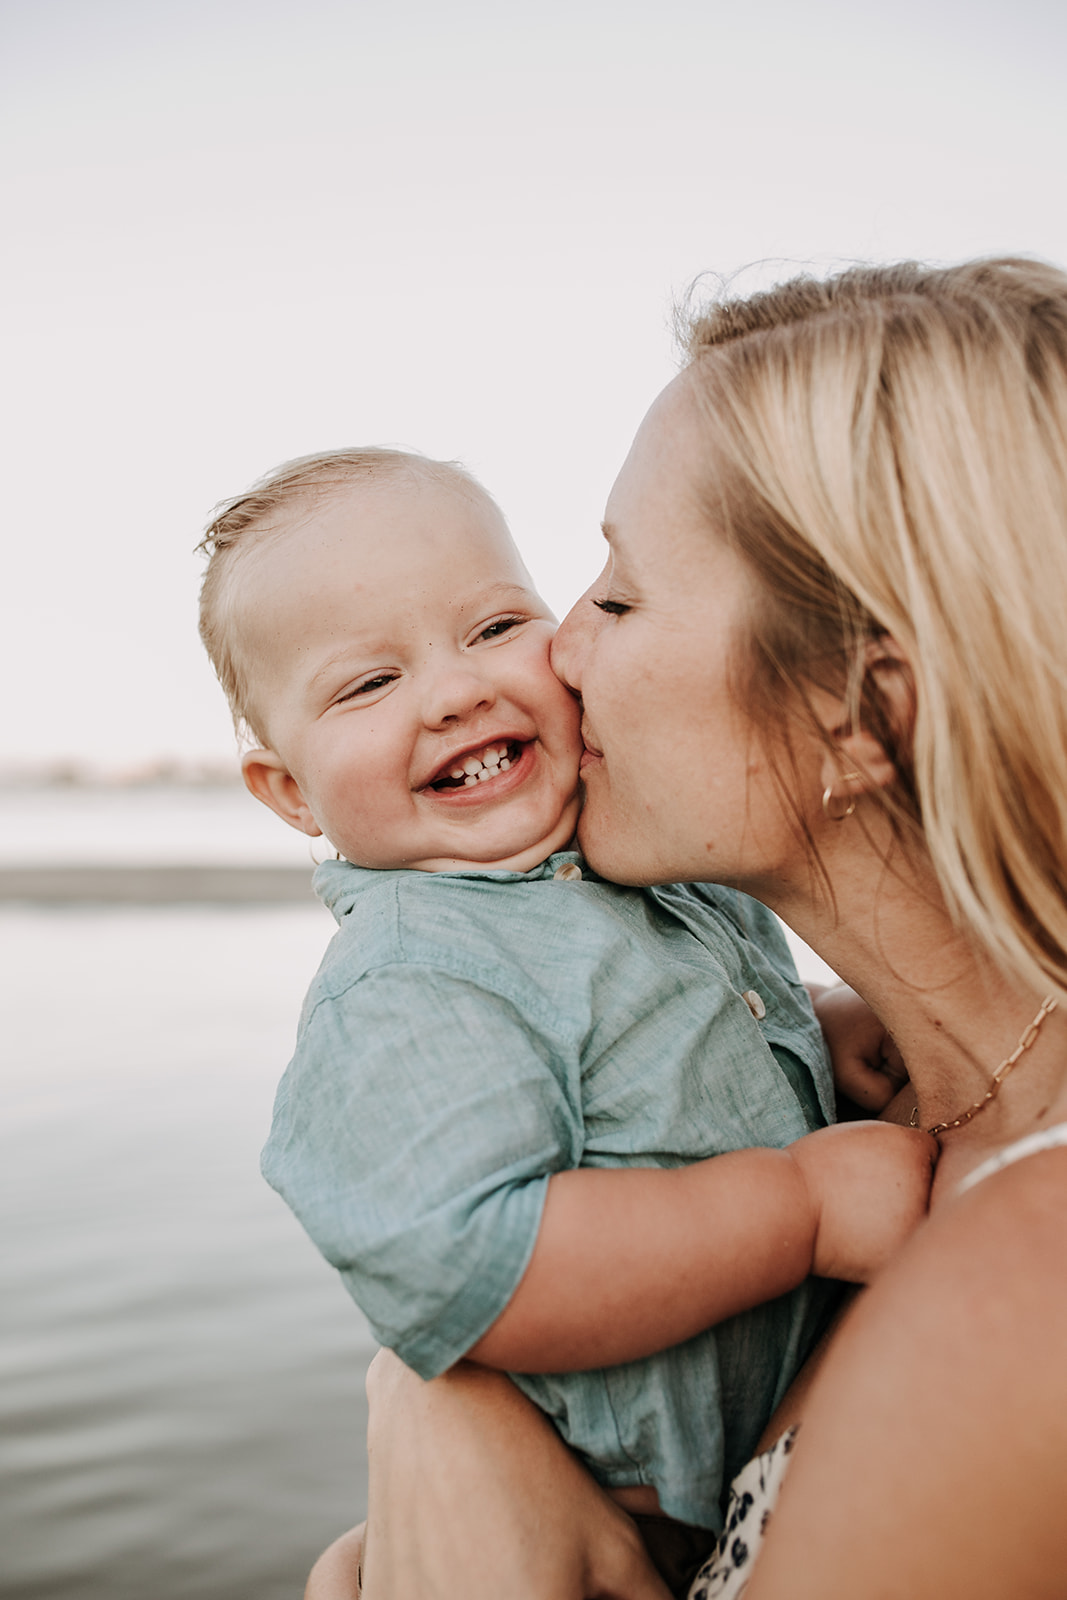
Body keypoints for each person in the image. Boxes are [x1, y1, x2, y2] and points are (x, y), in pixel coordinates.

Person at [315, 256, 1067, 1600]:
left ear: (857, 711)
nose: (548, 655)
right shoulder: (896, 1129)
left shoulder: (1026, 1286)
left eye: (614, 595)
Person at [196, 448, 932, 1593]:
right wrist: (798, 1208)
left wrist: (808, 1032)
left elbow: (667, 1071)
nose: (452, 691)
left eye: (493, 627)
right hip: (609, 1522)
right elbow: (469, 1262)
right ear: (289, 791)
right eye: (367, 684)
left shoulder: (639, 862)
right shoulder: (415, 978)